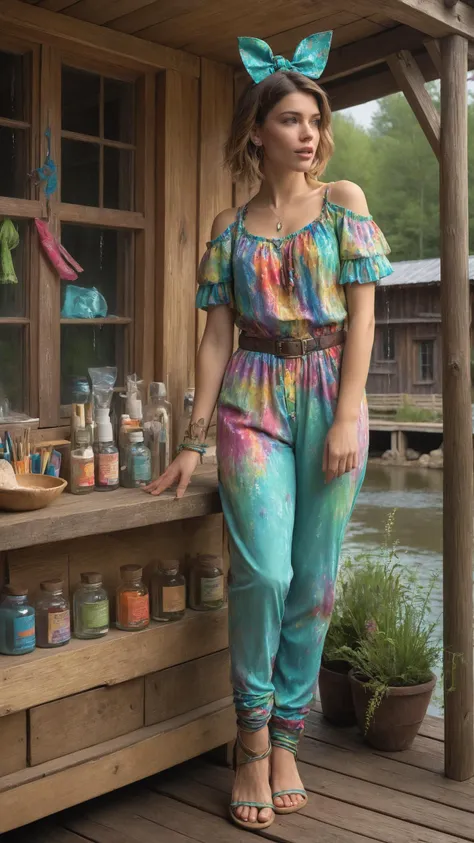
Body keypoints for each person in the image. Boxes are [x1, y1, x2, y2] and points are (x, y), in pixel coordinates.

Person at [145, 30, 393, 833]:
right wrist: (191, 439)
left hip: (329, 391)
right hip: (252, 395)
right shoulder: (231, 223)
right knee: (264, 571)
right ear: (258, 130)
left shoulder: (345, 204)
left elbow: (364, 317)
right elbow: (217, 337)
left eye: (315, 119)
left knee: (315, 579)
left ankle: (289, 735)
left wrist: (351, 411)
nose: (309, 133)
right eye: (291, 119)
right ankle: (250, 736)